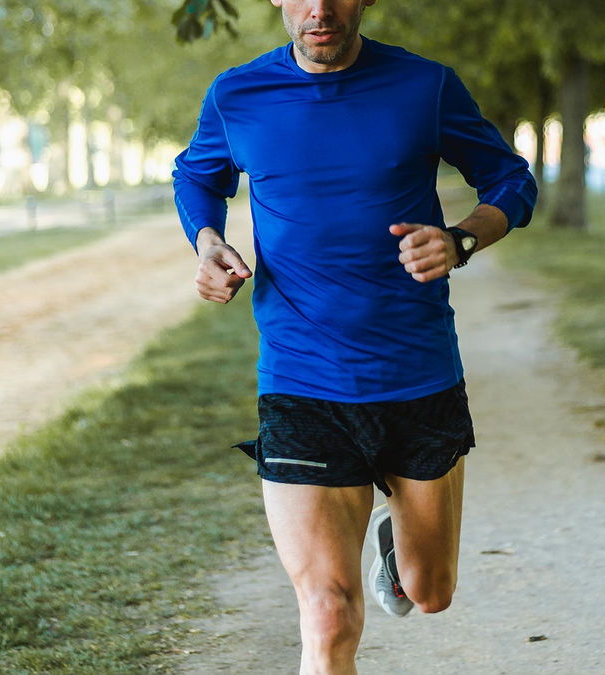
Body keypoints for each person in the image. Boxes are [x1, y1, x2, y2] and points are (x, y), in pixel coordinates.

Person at [172, 1, 537, 672]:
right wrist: (207, 241)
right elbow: (197, 174)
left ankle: (400, 550)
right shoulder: (237, 94)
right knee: (328, 611)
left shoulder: (425, 87)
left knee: (431, 592)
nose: (320, 9)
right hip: (301, 380)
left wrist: (460, 239)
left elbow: (512, 178)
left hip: (418, 375)